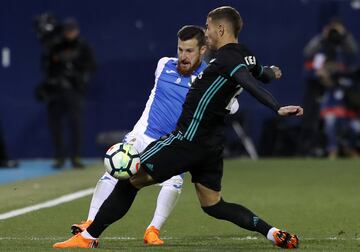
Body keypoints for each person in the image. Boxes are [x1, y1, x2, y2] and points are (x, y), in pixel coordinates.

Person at [53, 6, 302, 249]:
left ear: (221, 29)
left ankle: (88, 237)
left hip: (187, 138)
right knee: (213, 204)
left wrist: (276, 106)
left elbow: (246, 81)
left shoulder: (226, 58)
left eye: (208, 27)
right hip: (211, 145)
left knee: (130, 180)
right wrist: (271, 72)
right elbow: (258, 73)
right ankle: (271, 232)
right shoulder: (244, 54)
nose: (206, 31)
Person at [37, 17, 96, 168]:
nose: (70, 34)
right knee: (55, 125)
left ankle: (75, 156)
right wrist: (48, 85)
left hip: (74, 91)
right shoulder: (55, 46)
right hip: (56, 91)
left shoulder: (82, 46)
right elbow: (47, 68)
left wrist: (79, 77)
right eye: (67, 31)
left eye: (72, 30)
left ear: (77, 31)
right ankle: (59, 156)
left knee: (75, 124)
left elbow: (91, 65)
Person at [301, 18, 359, 158]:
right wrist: (323, 35)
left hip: (346, 93)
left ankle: (348, 148)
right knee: (330, 121)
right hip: (324, 93)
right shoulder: (322, 45)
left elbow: (354, 50)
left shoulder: (343, 45)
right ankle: (332, 149)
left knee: (352, 125)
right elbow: (307, 52)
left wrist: (343, 34)